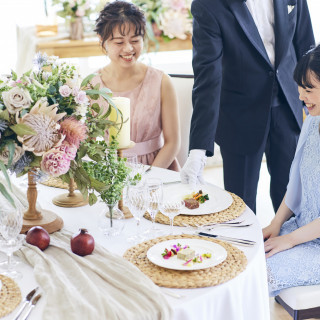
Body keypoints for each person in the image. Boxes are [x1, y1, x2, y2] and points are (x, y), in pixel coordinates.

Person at [181, 0, 315, 213]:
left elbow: (306, 47)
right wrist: (198, 149)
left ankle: (291, 246)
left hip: (289, 105)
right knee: (241, 207)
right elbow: (208, 79)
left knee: (293, 200)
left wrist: (314, 106)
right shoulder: (207, 6)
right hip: (239, 116)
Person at [91, 0, 180, 171]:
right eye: (119, 42)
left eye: (135, 40)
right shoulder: (91, 86)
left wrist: (150, 177)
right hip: (110, 172)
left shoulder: (161, 82)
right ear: (102, 41)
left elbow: (173, 142)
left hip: (157, 170)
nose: (128, 49)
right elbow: (88, 144)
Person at [263, 45, 320, 296]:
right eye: (299, 87)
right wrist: (276, 223)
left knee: (260, 272)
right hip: (301, 229)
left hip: (308, 241)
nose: (300, 97)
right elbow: (295, 184)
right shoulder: (312, 121)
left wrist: (289, 240)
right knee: (241, 256)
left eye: (309, 90)